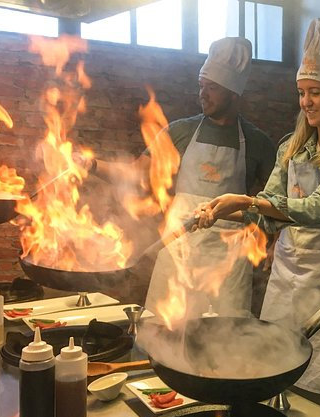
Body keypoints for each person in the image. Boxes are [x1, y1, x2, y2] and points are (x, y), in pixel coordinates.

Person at [196, 18, 320, 417]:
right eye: (301, 92)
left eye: (315, 92)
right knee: (275, 370)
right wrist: (227, 210)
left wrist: (248, 202)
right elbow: (268, 206)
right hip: (290, 271)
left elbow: (319, 208)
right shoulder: (292, 145)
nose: (306, 102)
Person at [94, 37, 276, 318]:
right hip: (179, 250)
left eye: (212, 88)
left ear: (233, 93)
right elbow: (136, 175)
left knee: (225, 337)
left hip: (227, 258)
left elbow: (274, 202)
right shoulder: (180, 132)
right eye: (201, 86)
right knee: (167, 332)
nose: (203, 94)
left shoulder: (257, 142)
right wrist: (91, 166)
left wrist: (274, 241)